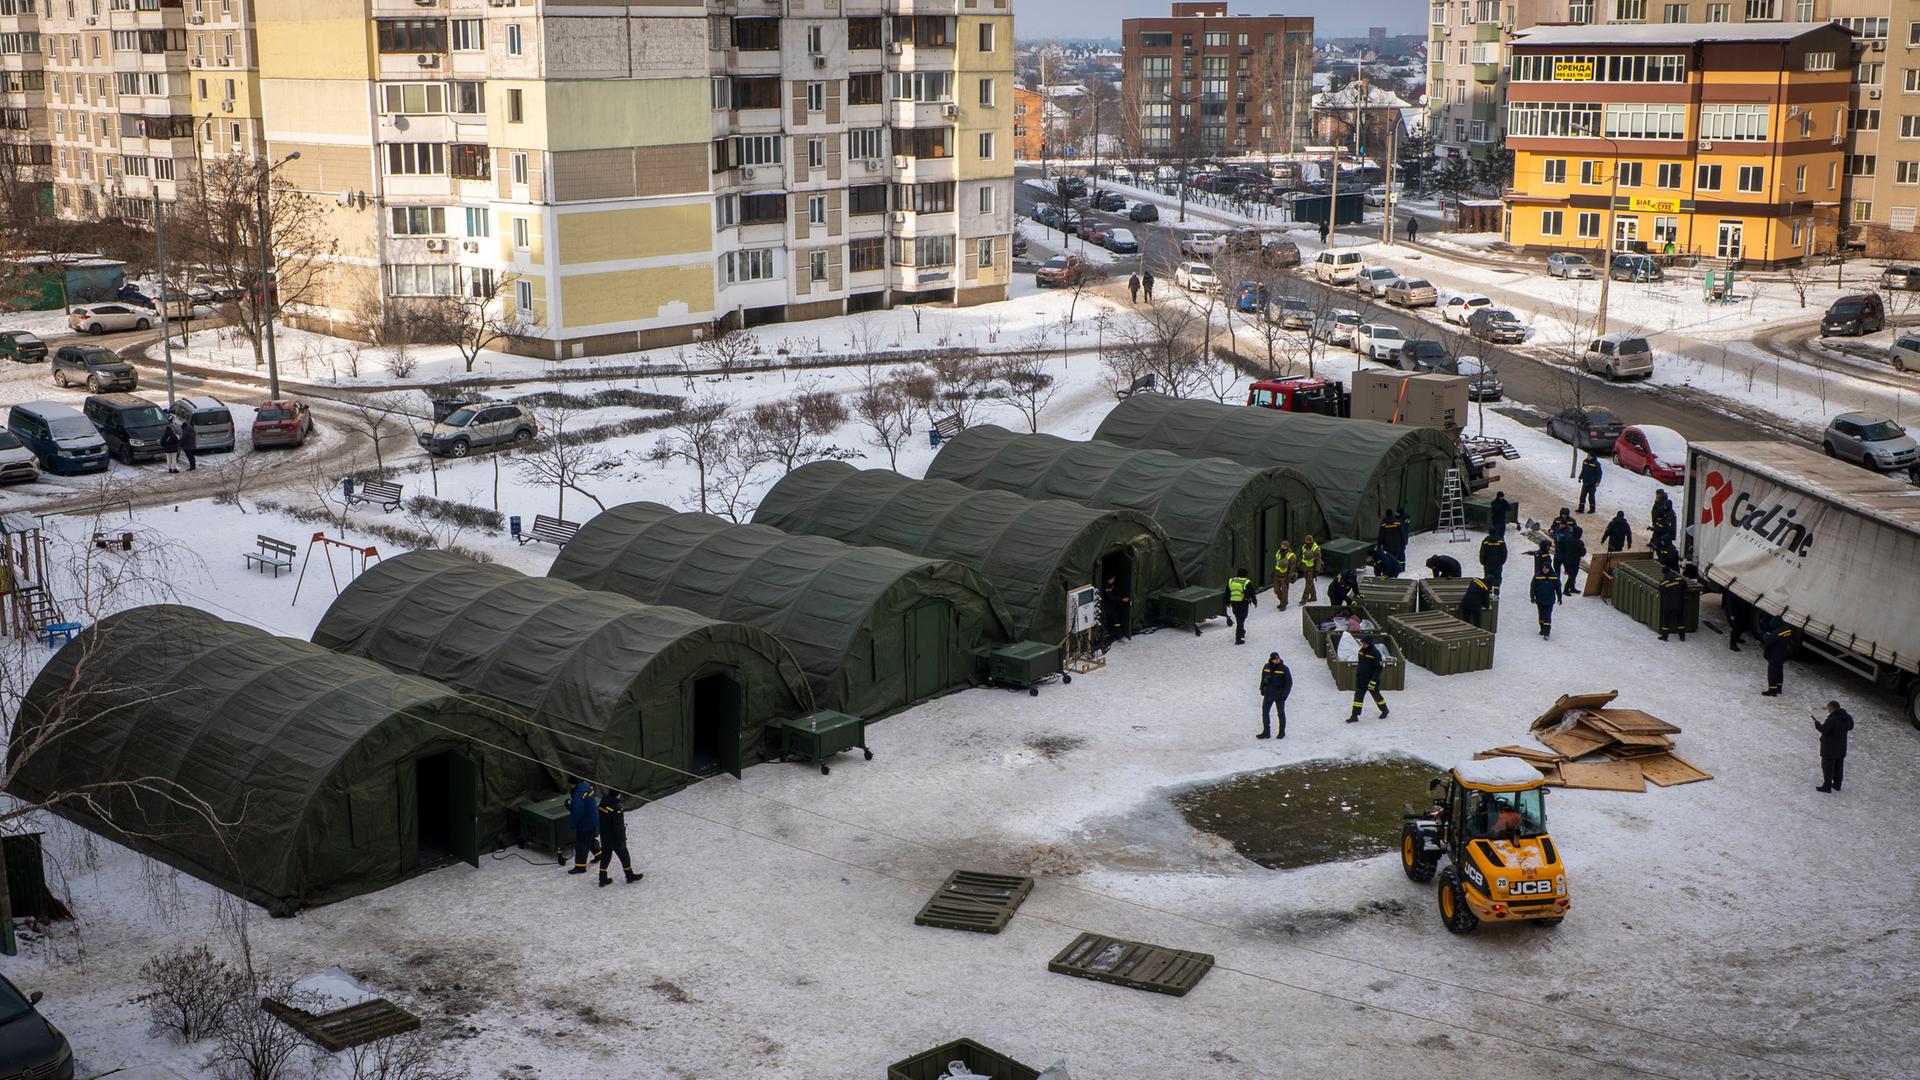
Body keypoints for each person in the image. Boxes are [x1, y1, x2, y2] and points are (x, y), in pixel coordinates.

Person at [595, 789, 643, 887]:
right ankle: (629, 875)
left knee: (606, 856)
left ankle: (602, 878)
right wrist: (622, 838)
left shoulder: (603, 803)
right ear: (617, 795)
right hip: (615, 837)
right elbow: (618, 825)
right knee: (624, 855)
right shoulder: (616, 808)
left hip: (605, 835)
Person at [1346, 635, 1390, 723]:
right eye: (1362, 643)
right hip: (1361, 680)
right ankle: (1354, 716)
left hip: (1371, 681)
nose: (1363, 645)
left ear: (1369, 643)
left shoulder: (1375, 653)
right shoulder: (1361, 652)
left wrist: (1373, 681)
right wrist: (1358, 677)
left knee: (1377, 697)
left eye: (1365, 643)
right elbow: (1360, 666)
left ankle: (1385, 710)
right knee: (1357, 698)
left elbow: (1378, 668)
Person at [1814, 700, 1853, 793]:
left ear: (1832, 708)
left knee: (1827, 766)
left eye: (1828, 708)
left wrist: (1817, 724)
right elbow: (1851, 726)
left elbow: (1824, 730)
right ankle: (1837, 784)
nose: (1828, 710)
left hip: (1830, 748)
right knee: (1839, 766)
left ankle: (1827, 786)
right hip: (1841, 747)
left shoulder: (1832, 720)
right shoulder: (1847, 718)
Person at [566, 779, 598, 875]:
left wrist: (573, 824)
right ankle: (599, 854)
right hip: (593, 819)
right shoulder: (586, 786)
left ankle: (580, 867)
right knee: (590, 839)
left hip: (585, 823)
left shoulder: (578, 795)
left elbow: (578, 812)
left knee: (581, 845)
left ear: (573, 784)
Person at [1259, 651, 1293, 739]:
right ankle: (1266, 732)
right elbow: (1263, 678)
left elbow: (1288, 683)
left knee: (1280, 713)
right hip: (1268, 694)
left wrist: (1284, 695)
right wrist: (1262, 688)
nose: (1277, 660)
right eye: (1275, 659)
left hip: (1279, 695)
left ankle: (1282, 732)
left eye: (1278, 659)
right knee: (1265, 713)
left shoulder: (1284, 669)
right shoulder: (1266, 667)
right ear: (1271, 659)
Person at [1762, 616, 1796, 696]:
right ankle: (1778, 688)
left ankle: (1772, 690)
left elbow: (1768, 640)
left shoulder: (1778, 632)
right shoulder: (1787, 629)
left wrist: (1765, 635)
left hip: (1775, 655)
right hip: (1782, 654)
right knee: (1779, 671)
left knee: (1772, 672)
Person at [1656, 561, 1689, 642]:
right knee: (1680, 619)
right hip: (1679, 604)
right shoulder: (1680, 580)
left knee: (1666, 620)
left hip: (1667, 605)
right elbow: (1685, 586)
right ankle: (1682, 636)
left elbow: (1660, 591)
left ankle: (1665, 636)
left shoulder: (1663, 583)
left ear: (1664, 574)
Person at [1554, 522, 1586, 597]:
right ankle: (1566, 589)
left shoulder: (1568, 539)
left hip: (1567, 559)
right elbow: (1582, 553)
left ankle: (1572, 587)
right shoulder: (1579, 542)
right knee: (1572, 576)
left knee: (1571, 575)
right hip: (1575, 561)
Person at [1224, 568, 1255, 645]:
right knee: (1241, 619)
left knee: (1239, 619)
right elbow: (1251, 593)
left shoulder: (1231, 581)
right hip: (1243, 603)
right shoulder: (1246, 582)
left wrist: (1227, 602)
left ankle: (1242, 631)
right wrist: (1255, 602)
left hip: (1234, 603)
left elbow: (1227, 592)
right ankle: (1238, 638)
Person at [1530, 565, 1560, 639]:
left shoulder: (1555, 577)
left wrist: (1560, 597)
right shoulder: (1537, 576)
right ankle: (1542, 628)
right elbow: (1533, 587)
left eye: (1546, 568)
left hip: (1550, 600)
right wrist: (1532, 596)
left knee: (1547, 616)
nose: (1545, 570)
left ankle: (1547, 632)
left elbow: (1558, 588)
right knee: (1541, 615)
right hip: (1540, 600)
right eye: (1543, 568)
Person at [1101, 573, 1131, 645]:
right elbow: (1111, 597)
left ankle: (1118, 634)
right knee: (1106, 621)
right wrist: (1122, 599)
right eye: (1112, 579)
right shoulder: (1105, 586)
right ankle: (1105, 636)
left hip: (1112, 607)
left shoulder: (1111, 585)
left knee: (1116, 621)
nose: (1113, 581)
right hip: (1106, 607)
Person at [1271, 540, 1297, 610]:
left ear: (1287, 546)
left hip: (1285, 575)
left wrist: (1290, 576)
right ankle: (1283, 601)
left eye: (1284, 545)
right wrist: (1273, 571)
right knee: (1276, 590)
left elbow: (1292, 568)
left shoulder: (1291, 556)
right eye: (1282, 544)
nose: (1282, 546)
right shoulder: (1278, 553)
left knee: (1284, 590)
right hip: (1277, 574)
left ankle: (1283, 604)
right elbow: (1277, 562)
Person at [1297, 534, 1320, 603]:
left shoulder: (1315, 548)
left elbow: (1318, 560)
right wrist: (1299, 564)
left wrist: (1316, 570)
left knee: (1308, 584)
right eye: (1306, 541)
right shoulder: (1304, 547)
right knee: (1310, 583)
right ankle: (1313, 597)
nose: (1307, 543)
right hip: (1305, 567)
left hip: (1311, 568)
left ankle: (1304, 599)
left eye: (1308, 542)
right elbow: (1303, 557)